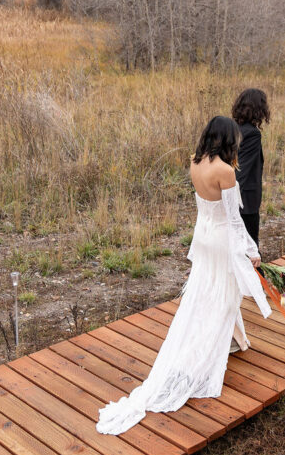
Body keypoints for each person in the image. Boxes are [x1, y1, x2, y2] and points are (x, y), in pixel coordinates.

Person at [96, 116, 271, 436]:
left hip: (202, 235)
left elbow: (208, 207)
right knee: (223, 295)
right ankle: (208, 353)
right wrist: (251, 250)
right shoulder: (226, 171)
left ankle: (238, 340)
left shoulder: (195, 162)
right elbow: (235, 219)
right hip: (219, 240)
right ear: (227, 139)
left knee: (207, 292)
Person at [231, 88, 270, 250]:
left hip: (230, 194)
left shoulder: (232, 128)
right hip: (245, 198)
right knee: (250, 245)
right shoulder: (253, 134)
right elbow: (242, 170)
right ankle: (255, 274)